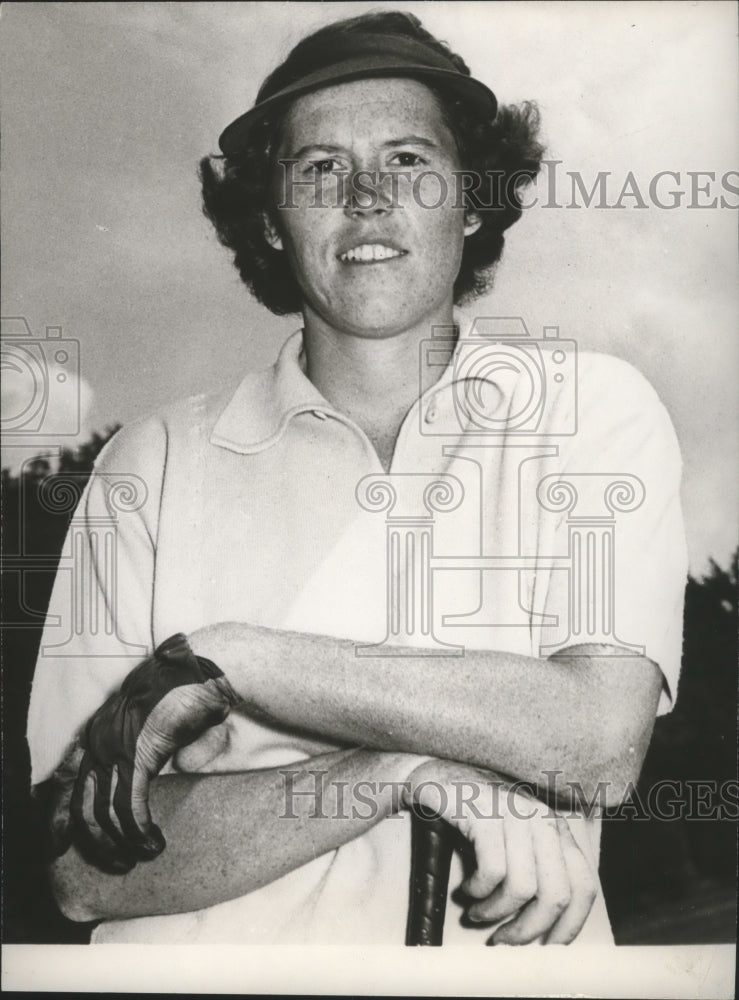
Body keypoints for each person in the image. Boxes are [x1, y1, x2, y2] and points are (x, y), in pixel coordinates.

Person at [27, 10, 687, 945]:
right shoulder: (153, 461)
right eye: (321, 168)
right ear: (268, 217)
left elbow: (593, 744)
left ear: (470, 200)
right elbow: (80, 867)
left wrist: (234, 659)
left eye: (411, 159)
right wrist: (396, 773)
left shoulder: (588, 409)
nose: (369, 197)